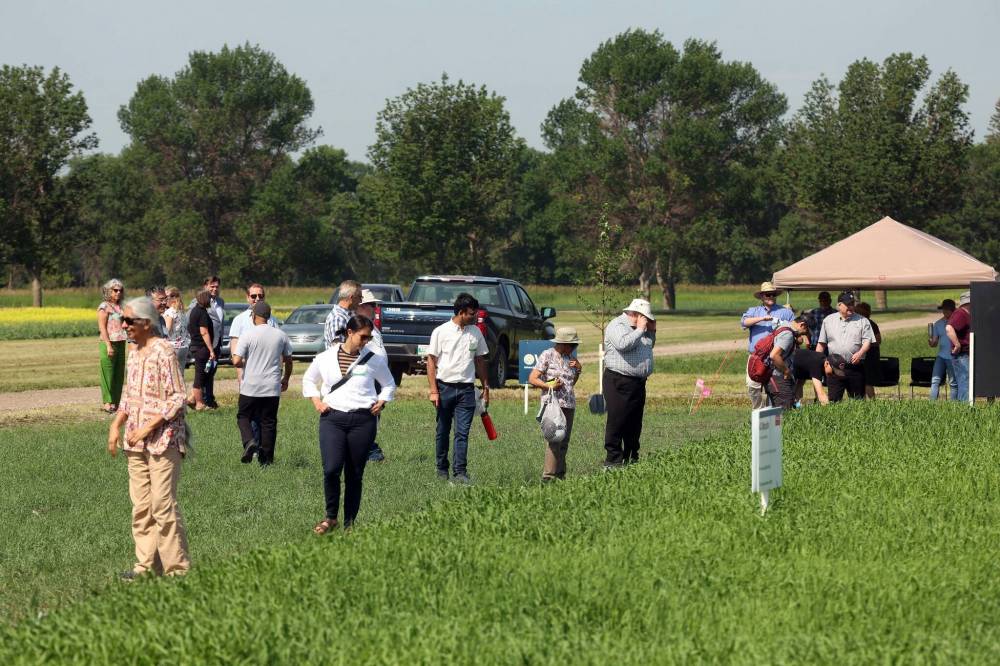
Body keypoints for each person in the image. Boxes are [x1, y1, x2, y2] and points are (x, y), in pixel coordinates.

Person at [106, 297, 190, 579]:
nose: (124, 325)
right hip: (135, 443)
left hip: (163, 440)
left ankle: (176, 569)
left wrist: (148, 427)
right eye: (123, 320)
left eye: (128, 321)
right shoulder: (133, 353)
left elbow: (179, 397)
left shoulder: (163, 351)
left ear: (146, 322)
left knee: (162, 506)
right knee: (141, 508)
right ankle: (145, 569)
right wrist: (116, 425)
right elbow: (129, 396)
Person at [302, 315, 396, 533]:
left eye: (369, 337)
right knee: (331, 469)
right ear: (350, 333)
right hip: (332, 419)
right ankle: (331, 517)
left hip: (363, 421)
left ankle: (350, 523)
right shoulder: (325, 358)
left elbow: (389, 383)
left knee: (354, 474)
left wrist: (382, 400)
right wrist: (316, 401)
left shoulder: (374, 359)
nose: (366, 341)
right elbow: (308, 379)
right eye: (363, 336)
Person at [426, 293, 490, 484]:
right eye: (472, 314)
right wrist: (433, 390)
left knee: (462, 433)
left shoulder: (476, 332)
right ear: (461, 312)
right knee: (443, 430)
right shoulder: (441, 332)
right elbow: (431, 362)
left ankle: (460, 472)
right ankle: (441, 468)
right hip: (444, 388)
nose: (475, 317)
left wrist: (486, 386)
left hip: (467, 390)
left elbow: (480, 360)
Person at [232, 300, 293, 466]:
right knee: (268, 422)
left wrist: (244, 362)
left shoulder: (248, 335)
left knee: (243, 416)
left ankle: (249, 441)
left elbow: (237, 361)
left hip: (250, 386)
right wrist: (286, 378)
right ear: (268, 316)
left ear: (254, 316)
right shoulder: (280, 335)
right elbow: (288, 360)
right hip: (272, 387)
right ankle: (266, 461)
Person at [603, 298, 656, 468]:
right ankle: (613, 460)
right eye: (645, 317)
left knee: (634, 422)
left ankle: (632, 456)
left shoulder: (642, 329)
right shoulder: (617, 325)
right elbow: (623, 344)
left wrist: (651, 332)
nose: (647, 321)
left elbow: (648, 346)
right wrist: (640, 329)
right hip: (619, 380)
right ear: (635, 314)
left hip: (638, 382)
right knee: (618, 419)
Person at [528, 327, 583, 481]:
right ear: (563, 343)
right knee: (554, 439)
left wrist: (578, 370)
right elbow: (533, 378)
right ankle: (548, 477)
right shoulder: (548, 355)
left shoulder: (570, 358)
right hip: (552, 404)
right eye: (573, 345)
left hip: (568, 404)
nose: (574, 348)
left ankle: (560, 475)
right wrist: (549, 385)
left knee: (564, 441)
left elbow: (571, 383)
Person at [741, 282, 794, 409]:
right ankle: (758, 411)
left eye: (773, 294)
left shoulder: (785, 311)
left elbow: (794, 327)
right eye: (767, 295)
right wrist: (762, 319)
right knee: (752, 385)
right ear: (761, 297)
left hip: (777, 357)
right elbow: (744, 322)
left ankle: (772, 412)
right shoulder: (753, 311)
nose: (770, 297)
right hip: (757, 356)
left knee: (775, 387)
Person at [816, 291, 874, 402]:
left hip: (855, 367)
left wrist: (860, 353)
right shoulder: (828, 320)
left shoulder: (863, 321)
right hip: (834, 367)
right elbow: (821, 344)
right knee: (834, 401)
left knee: (858, 402)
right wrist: (820, 363)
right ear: (839, 305)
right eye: (848, 304)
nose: (851, 307)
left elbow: (867, 341)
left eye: (852, 304)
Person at [355, 289, 387, 462]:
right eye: (371, 305)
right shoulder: (359, 327)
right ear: (360, 307)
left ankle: (369, 447)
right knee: (367, 414)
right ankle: (368, 450)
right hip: (368, 376)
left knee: (375, 414)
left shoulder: (373, 326)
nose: (375, 308)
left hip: (377, 378)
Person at [228, 283, 279, 385]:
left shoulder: (272, 319)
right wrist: (239, 365)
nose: (257, 298)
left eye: (260, 296)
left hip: (267, 367)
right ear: (247, 298)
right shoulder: (239, 319)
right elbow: (235, 346)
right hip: (246, 367)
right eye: (253, 296)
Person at [189, 276, 224, 408]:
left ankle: (207, 398)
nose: (214, 289)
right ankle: (202, 400)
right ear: (205, 286)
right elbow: (192, 322)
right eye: (212, 286)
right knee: (202, 373)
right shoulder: (197, 302)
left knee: (211, 372)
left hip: (217, 343)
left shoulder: (220, 302)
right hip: (204, 344)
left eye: (216, 286)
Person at [763, 316, 811, 410]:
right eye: (806, 332)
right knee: (785, 411)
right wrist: (786, 371)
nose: (804, 335)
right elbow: (774, 355)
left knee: (775, 411)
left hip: (773, 377)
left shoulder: (784, 326)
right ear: (802, 325)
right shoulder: (787, 334)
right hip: (778, 378)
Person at [97, 278, 127, 413]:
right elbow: (102, 328)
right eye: (115, 290)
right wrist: (108, 345)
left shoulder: (121, 306)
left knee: (119, 373)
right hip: (108, 342)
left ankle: (116, 401)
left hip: (121, 342)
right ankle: (107, 402)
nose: (118, 293)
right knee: (108, 373)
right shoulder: (104, 307)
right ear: (109, 291)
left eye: (120, 290)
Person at [187, 289, 216, 411]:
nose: (210, 300)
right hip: (201, 348)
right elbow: (204, 332)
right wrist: (211, 349)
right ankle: (199, 403)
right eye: (209, 298)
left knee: (205, 373)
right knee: (200, 375)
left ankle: (192, 398)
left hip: (196, 347)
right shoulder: (202, 313)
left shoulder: (195, 311)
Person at [928, 298, 958, 400]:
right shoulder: (938, 324)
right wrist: (932, 343)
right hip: (941, 356)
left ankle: (953, 406)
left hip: (953, 357)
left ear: (952, 310)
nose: (944, 312)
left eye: (947, 310)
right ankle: (931, 405)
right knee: (935, 380)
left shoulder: (957, 322)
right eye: (943, 310)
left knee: (953, 383)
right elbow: (935, 343)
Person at [946, 290, 972, 402]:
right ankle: (965, 409)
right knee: (965, 381)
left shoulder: (966, 313)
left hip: (966, 355)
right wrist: (957, 344)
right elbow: (949, 328)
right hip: (961, 356)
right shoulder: (960, 313)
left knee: (966, 381)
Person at [323, 280, 362, 349]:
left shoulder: (348, 315)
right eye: (360, 297)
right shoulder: (338, 318)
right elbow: (338, 348)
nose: (361, 301)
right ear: (351, 298)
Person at [855, 302, 883, 399]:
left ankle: (872, 402)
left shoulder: (871, 324)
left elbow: (878, 340)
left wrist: (865, 344)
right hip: (859, 357)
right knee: (860, 380)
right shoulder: (856, 323)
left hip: (870, 357)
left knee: (867, 381)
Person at [163, 286, 191, 371]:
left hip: (173, 347)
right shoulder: (182, 311)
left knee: (171, 376)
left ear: (174, 298)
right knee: (180, 374)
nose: (164, 300)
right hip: (184, 346)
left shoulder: (170, 312)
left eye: (166, 297)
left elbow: (167, 331)